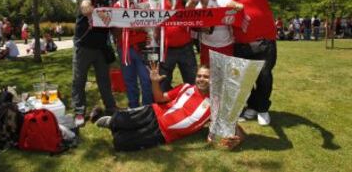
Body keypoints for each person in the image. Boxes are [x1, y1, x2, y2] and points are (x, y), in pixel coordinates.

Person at [93, 63, 245, 151]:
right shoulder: (185, 87)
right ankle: (109, 120)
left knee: (121, 143)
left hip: (164, 134)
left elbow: (234, 127)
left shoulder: (216, 105)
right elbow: (160, 98)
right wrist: (154, 82)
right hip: (153, 113)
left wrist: (237, 139)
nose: (201, 79)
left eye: (206, 77)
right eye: (199, 76)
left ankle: (118, 127)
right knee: (120, 120)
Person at [72, 0, 155, 127]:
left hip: (102, 47)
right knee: (79, 80)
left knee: (104, 80)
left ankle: (111, 108)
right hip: (84, 46)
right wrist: (95, 13)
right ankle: (79, 112)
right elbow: (85, 6)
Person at [217, 0, 282, 126]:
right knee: (244, 78)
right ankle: (251, 107)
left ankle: (262, 109)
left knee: (263, 76)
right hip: (239, 43)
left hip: (264, 41)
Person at [112, 0, 153, 108]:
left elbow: (151, 23)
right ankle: (134, 108)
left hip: (143, 47)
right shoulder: (117, 6)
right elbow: (115, 31)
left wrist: (137, 25)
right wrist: (126, 24)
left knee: (146, 80)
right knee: (130, 81)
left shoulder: (144, 1)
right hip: (125, 49)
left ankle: (147, 109)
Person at [158, 0, 197, 92]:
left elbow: (196, 11)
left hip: (186, 49)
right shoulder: (158, 5)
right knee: (163, 84)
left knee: (192, 81)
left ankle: (194, 106)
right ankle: (165, 107)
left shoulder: (186, 3)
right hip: (166, 50)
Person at [186, 0, 234, 66]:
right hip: (206, 46)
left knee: (225, 77)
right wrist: (194, 0)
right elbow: (187, 14)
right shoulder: (193, 2)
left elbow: (234, 6)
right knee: (208, 76)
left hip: (225, 45)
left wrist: (236, 6)